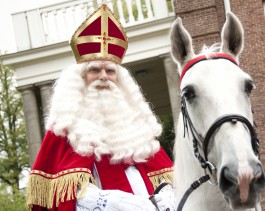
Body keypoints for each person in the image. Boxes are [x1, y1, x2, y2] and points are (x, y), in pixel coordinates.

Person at [26, 4, 175, 211]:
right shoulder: (65, 127)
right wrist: (116, 202)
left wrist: (167, 195)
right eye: (95, 70)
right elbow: (63, 192)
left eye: (111, 71)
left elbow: (164, 174)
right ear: (80, 78)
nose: (104, 77)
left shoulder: (136, 125)